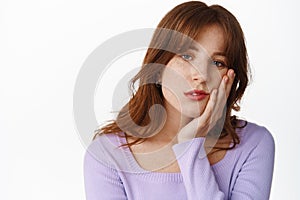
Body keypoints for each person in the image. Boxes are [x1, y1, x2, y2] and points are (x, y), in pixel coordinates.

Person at [84, 1, 275, 199]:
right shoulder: (107, 155)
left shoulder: (254, 144)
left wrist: (190, 145)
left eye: (218, 62)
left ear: (232, 77)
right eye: (186, 56)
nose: (201, 75)